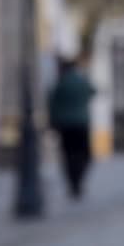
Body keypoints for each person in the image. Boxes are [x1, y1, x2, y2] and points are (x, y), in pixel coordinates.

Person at [49, 57, 95, 201]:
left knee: (68, 155)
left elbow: (52, 102)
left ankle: (73, 183)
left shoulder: (60, 83)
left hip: (65, 125)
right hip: (82, 123)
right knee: (85, 154)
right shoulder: (81, 81)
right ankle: (78, 180)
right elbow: (93, 92)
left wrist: (53, 121)